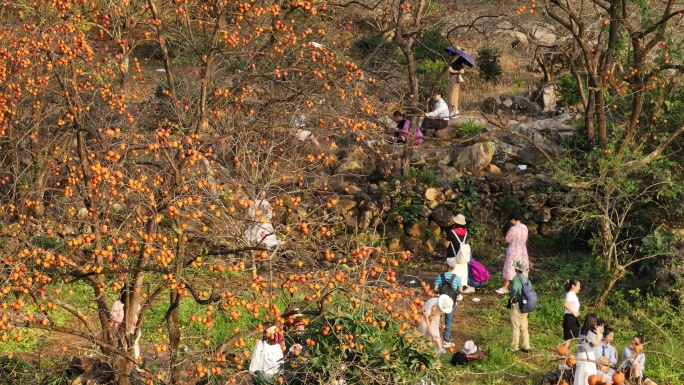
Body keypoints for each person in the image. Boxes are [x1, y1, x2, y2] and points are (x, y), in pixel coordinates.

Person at [496, 213, 530, 295]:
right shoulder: (524, 227)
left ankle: (505, 287)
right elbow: (525, 238)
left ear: (513, 219)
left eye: (511, 220)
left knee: (510, 267)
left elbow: (507, 240)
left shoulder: (513, 229)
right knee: (521, 267)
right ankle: (521, 288)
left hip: (513, 250)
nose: (510, 222)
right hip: (522, 250)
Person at [433, 260, 463, 348]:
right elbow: (461, 291)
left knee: (436, 319)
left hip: (440, 301)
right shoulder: (456, 278)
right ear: (453, 268)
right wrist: (456, 293)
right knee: (448, 321)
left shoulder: (440, 276)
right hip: (451, 302)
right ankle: (446, 341)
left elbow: (435, 289)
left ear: (446, 267)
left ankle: (435, 338)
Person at [508, 260, 531, 353]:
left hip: (518, 304)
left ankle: (514, 347)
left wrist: (511, 297)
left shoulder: (517, 278)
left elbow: (514, 288)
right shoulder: (526, 279)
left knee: (515, 326)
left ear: (516, 269)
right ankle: (526, 346)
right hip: (526, 305)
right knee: (524, 327)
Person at [574, 314, 604, 385]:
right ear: (592, 322)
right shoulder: (588, 333)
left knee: (580, 374)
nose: (596, 324)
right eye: (596, 322)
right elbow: (596, 344)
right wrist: (599, 334)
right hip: (587, 355)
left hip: (580, 355)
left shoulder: (581, 330)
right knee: (587, 374)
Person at [446, 214, 471, 295]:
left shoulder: (451, 232)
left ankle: (452, 291)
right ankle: (460, 292)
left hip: (452, 255)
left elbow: (446, 244)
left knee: (452, 273)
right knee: (461, 274)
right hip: (462, 256)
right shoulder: (466, 233)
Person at [445, 46, 468, 118]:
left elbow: (462, 71)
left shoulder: (458, 62)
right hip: (451, 78)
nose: (449, 56)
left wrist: (453, 71)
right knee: (450, 94)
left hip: (455, 79)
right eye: (449, 54)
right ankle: (453, 111)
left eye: (451, 54)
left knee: (454, 95)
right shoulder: (451, 62)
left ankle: (455, 111)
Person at [563, 279, 581, 347]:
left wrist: (576, 312)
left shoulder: (573, 295)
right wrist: (573, 312)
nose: (579, 288)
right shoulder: (571, 294)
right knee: (580, 336)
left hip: (572, 318)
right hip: (569, 319)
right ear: (573, 286)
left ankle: (564, 354)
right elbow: (566, 305)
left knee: (569, 339)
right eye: (578, 286)